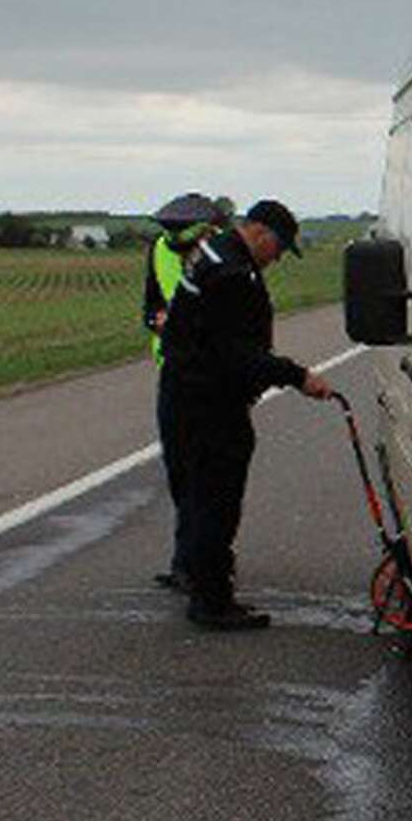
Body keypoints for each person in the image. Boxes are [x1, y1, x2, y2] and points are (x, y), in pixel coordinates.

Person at [159, 199, 332, 630]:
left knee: (203, 497)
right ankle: (212, 601)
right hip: (209, 403)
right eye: (277, 247)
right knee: (216, 500)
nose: (276, 259)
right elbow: (239, 355)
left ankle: (204, 582)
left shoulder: (216, 253)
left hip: (190, 395)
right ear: (259, 232)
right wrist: (298, 376)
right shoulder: (231, 274)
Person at [143, 193, 231, 593]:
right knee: (181, 476)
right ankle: (188, 561)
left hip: (212, 380)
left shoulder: (224, 257)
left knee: (208, 479)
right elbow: (149, 305)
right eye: (171, 230)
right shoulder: (159, 251)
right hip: (173, 376)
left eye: (184, 230)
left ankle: (204, 565)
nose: (175, 238)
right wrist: (157, 321)